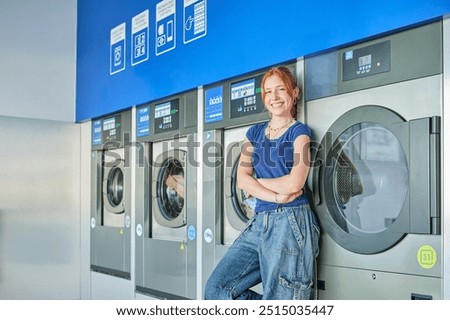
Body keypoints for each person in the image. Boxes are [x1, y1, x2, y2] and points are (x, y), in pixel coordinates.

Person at [204, 66, 320, 300]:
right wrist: (275, 195)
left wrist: (258, 183)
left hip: (291, 222)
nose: (274, 97)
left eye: (281, 90)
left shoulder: (300, 133)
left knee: (281, 300)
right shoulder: (254, 133)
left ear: (294, 92)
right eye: (268, 92)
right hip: (260, 221)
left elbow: (295, 182)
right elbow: (241, 179)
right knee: (216, 290)